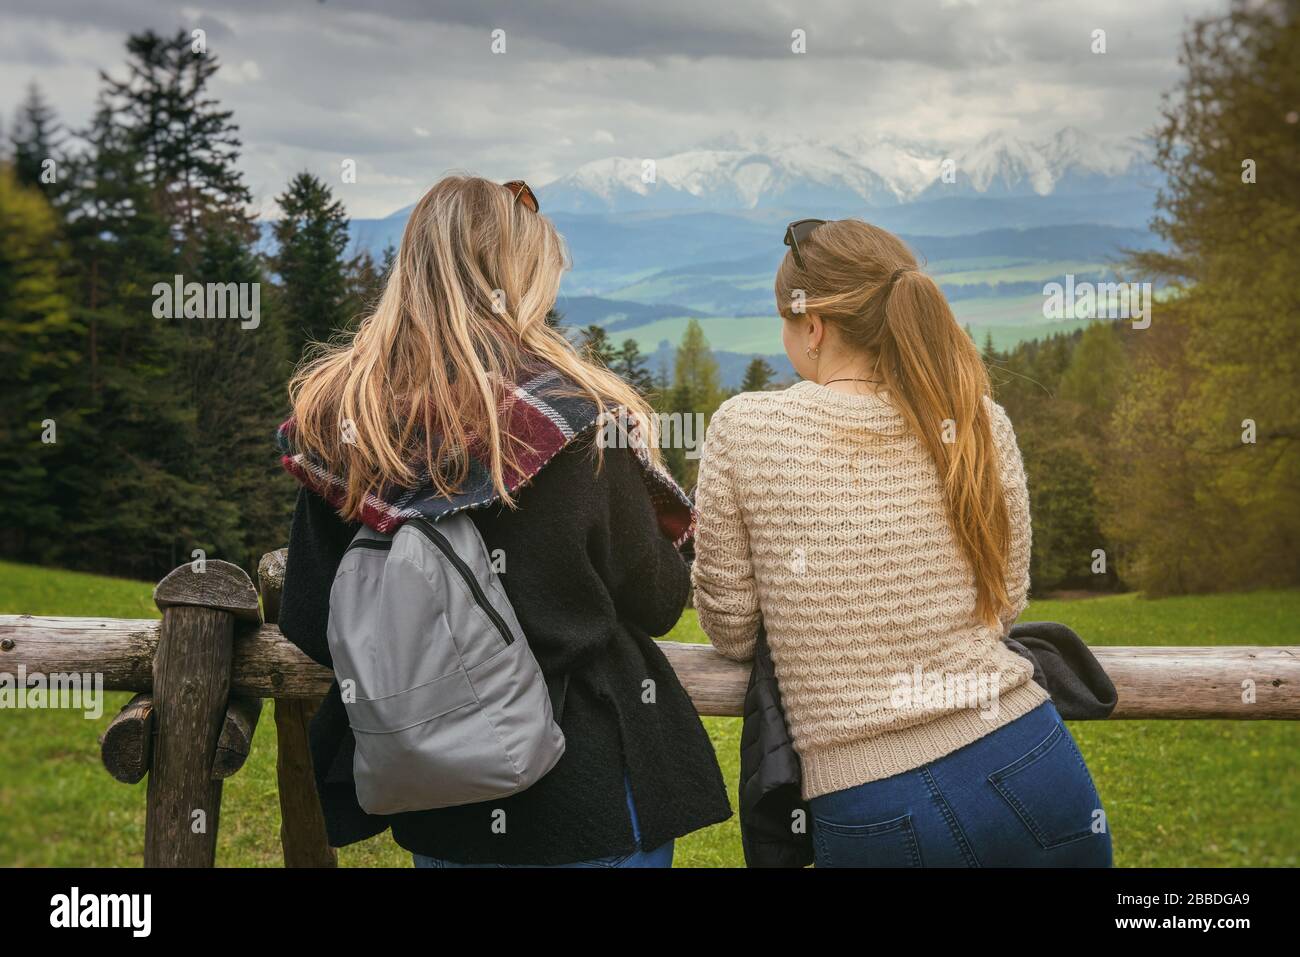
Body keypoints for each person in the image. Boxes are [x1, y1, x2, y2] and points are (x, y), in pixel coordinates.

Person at [276, 175, 730, 867]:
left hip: (442, 804)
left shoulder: (347, 422)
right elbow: (659, 599)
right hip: (592, 790)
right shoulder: (571, 419)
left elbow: (311, 618)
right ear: (516, 278)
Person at [691, 217, 1112, 867]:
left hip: (874, 804)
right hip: (1035, 760)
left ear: (814, 325)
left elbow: (734, 632)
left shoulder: (745, 429)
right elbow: (1003, 601)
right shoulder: (976, 418)